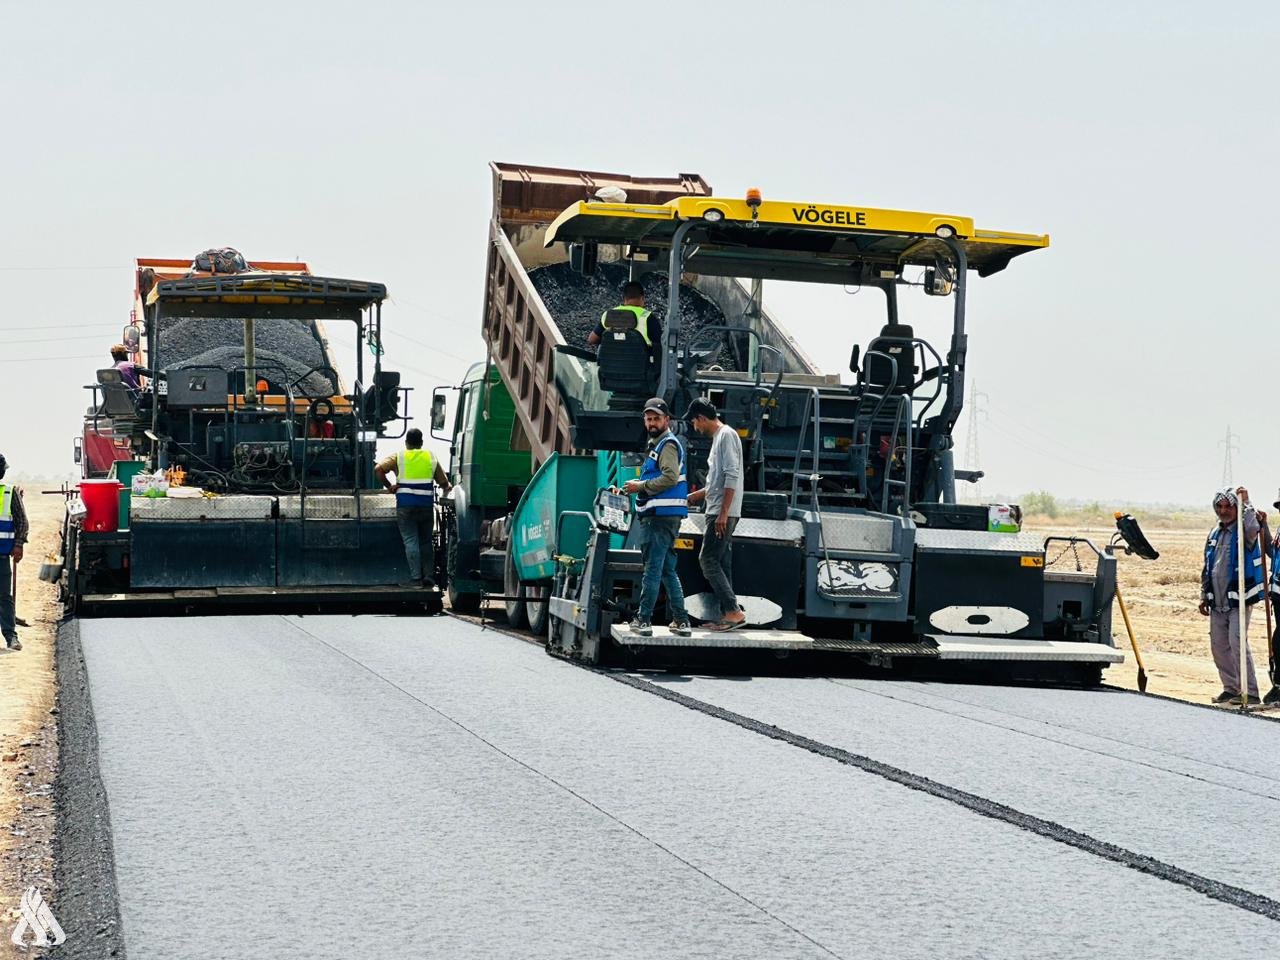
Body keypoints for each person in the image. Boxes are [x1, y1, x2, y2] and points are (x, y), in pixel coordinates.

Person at [621, 398, 691, 637]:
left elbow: (670, 477)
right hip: (665, 517)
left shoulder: (667, 445)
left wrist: (640, 486)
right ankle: (681, 621)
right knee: (667, 570)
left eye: (656, 418)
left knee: (652, 569)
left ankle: (643, 620)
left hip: (659, 518)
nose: (651, 422)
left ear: (666, 420)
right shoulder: (658, 445)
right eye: (648, 418)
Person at [1198, 486, 1263, 705]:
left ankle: (1251, 693)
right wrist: (1203, 595)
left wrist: (1246, 501)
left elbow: (1255, 527)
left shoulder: (1243, 530)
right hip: (1217, 601)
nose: (1224, 510)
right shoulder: (1214, 533)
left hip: (1239, 601)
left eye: (1228, 506)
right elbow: (1207, 566)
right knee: (1218, 646)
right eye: (1220, 506)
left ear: (1235, 508)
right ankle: (1231, 688)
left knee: (1237, 643)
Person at [685, 398, 746, 631]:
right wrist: (693, 497)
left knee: (707, 560)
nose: (694, 427)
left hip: (722, 512)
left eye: (694, 422)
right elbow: (716, 482)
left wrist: (723, 514)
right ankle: (727, 616)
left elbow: (731, 476)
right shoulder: (719, 438)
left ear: (701, 418)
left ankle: (733, 610)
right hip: (718, 508)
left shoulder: (726, 435)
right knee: (722, 561)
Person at [374, 429, 451, 589]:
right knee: (426, 541)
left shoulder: (399, 456)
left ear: (406, 443)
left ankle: (415, 580)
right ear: (421, 442)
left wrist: (390, 487)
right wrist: (446, 489)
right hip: (425, 506)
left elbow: (378, 469)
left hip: (406, 506)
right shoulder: (430, 456)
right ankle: (429, 576)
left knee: (411, 540)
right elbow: (444, 483)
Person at [587, 281, 664, 360]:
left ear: (624, 298)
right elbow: (659, 348)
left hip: (610, 368)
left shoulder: (608, 314)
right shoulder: (648, 317)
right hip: (639, 369)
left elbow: (592, 339)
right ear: (642, 298)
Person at [0, 453, 29, 652]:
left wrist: (18, 545)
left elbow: (22, 523)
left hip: (2, 555)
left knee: (4, 596)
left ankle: (10, 636)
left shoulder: (9, 493)